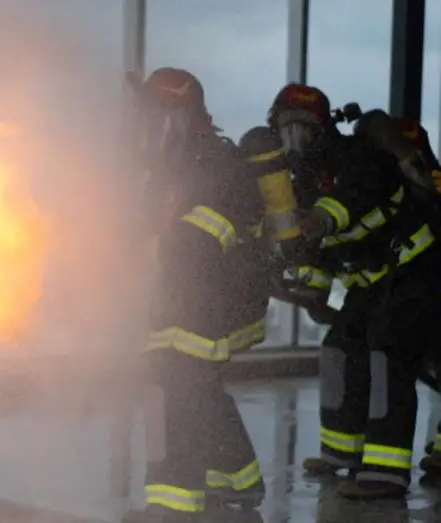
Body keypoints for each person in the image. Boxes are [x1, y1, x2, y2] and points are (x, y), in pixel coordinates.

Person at [264, 83, 441, 499]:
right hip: (373, 284)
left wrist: (316, 221)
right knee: (340, 350)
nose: (295, 141)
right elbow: (320, 250)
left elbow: (348, 202)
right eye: (286, 131)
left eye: (303, 129)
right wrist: (309, 285)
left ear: (324, 128)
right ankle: (342, 453)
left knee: (388, 353)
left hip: (418, 271)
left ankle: (385, 474)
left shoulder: (359, 157)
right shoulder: (304, 182)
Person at [131, 67, 270, 522]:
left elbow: (198, 245)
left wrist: (146, 248)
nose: (148, 129)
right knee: (196, 387)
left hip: (217, 301)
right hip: (186, 300)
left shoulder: (218, 166)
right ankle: (238, 480)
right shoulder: (168, 171)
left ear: (184, 117)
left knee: (174, 385)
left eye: (158, 118)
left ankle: (171, 502)